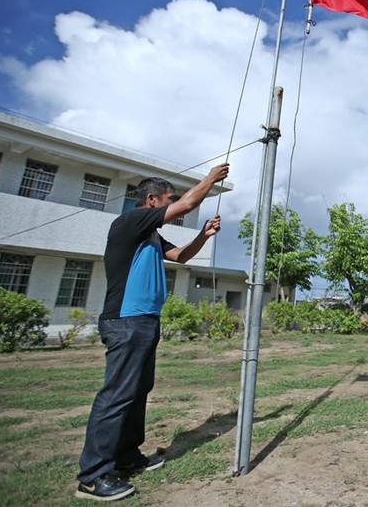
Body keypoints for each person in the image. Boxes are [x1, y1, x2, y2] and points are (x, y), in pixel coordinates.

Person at [76, 163, 230, 501]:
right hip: (125, 321)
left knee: (137, 391)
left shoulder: (151, 235)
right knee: (117, 395)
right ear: (151, 200)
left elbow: (181, 256)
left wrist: (203, 236)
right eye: (168, 199)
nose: (172, 204)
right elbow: (187, 204)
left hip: (145, 320)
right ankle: (92, 476)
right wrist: (210, 180)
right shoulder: (130, 221)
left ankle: (127, 456)